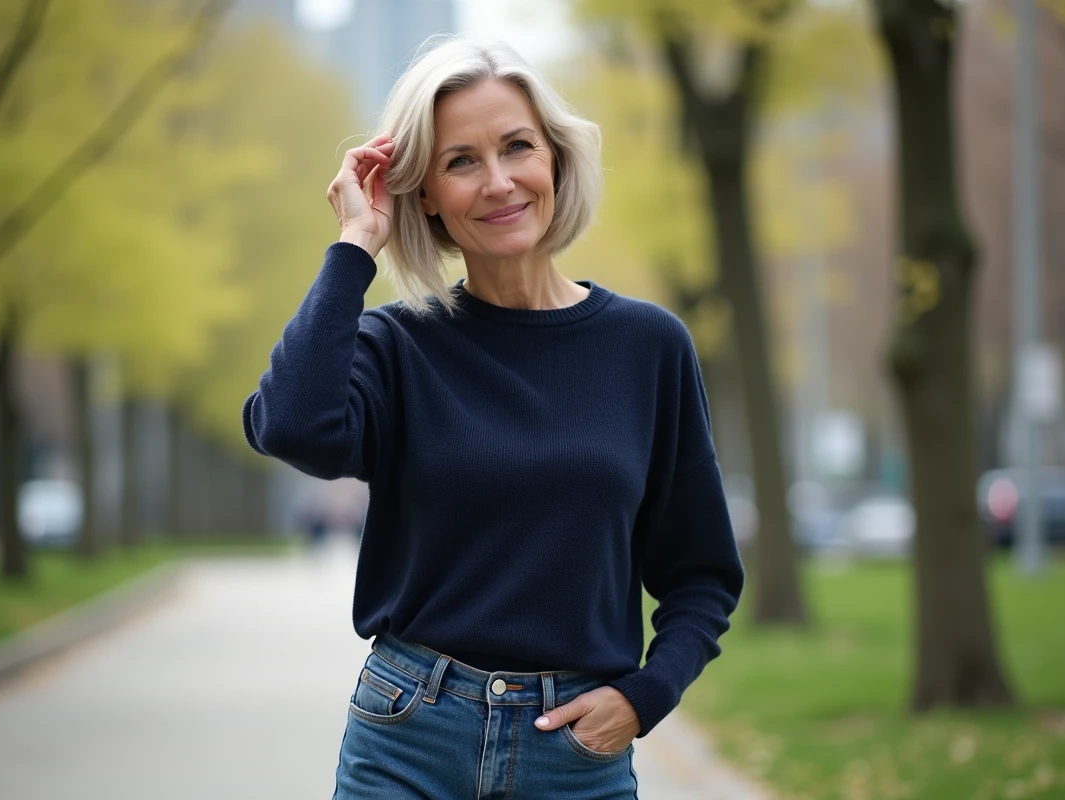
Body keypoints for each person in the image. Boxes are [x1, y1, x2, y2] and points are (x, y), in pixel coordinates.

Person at [243, 36, 744, 799]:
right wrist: (355, 245)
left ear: (556, 160)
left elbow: (701, 573)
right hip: (408, 738)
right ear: (426, 195)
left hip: (573, 752)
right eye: (461, 161)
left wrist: (645, 697)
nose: (500, 181)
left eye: (517, 147)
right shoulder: (398, 345)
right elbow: (290, 426)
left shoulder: (647, 346)